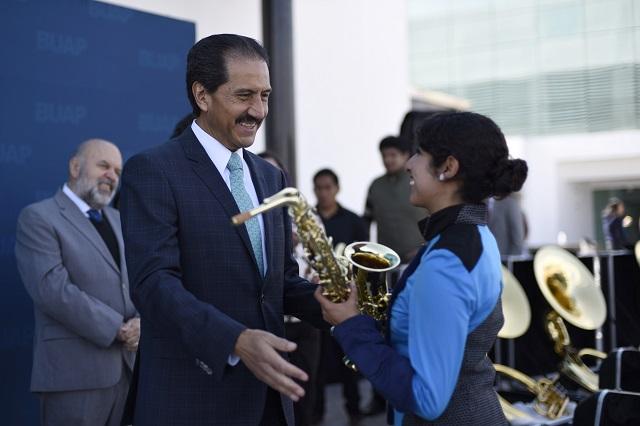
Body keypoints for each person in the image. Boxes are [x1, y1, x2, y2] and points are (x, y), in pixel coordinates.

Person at [119, 34, 326, 426]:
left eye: (265, 95)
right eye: (244, 95)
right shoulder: (154, 170)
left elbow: (278, 283)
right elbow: (154, 284)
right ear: (202, 95)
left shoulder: (270, 176)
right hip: (192, 399)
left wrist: (329, 303)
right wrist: (234, 341)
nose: (258, 110)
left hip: (270, 400)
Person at [316, 111, 528, 425]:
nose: (408, 164)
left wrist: (351, 325)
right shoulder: (475, 235)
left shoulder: (447, 262)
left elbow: (426, 398)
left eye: (419, 153)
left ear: (448, 168)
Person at [15, 139, 138, 426]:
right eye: (104, 166)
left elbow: (140, 280)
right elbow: (52, 290)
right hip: (74, 376)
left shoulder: (121, 220)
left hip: (128, 372)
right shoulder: (39, 218)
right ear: (75, 167)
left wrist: (142, 321)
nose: (112, 176)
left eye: (118, 171)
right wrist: (118, 329)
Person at [312, 168, 369, 424]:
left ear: (337, 188)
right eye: (318, 188)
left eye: (328, 187)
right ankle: (316, 416)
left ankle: (354, 413)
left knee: (350, 360)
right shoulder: (309, 220)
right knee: (319, 364)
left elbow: (364, 259)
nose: (323, 193)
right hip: (318, 299)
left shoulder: (354, 221)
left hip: (347, 299)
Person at [364, 136, 425, 266]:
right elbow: (366, 221)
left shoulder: (419, 182)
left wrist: (425, 248)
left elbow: (437, 217)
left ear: (406, 155)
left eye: (393, 155)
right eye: (384, 155)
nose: (387, 160)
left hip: (418, 259)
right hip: (386, 261)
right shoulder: (376, 186)